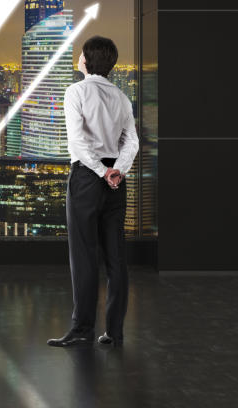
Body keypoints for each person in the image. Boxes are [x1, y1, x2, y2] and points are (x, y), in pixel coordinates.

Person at [48, 35, 138, 349]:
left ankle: (82, 329)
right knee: (116, 257)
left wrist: (101, 171)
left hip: (88, 178)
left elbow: (77, 142)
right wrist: (118, 171)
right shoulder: (123, 97)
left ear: (86, 59)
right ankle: (114, 332)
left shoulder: (76, 91)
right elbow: (132, 142)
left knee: (84, 255)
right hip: (116, 181)